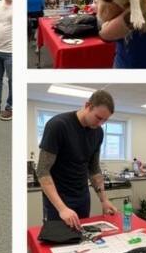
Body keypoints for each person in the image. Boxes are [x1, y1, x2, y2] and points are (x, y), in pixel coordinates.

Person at [36, 90, 118, 228]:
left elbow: (94, 169)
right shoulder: (58, 125)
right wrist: (62, 208)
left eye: (105, 120)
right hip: (58, 198)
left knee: (81, 241)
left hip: (82, 197)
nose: (100, 124)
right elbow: (42, 171)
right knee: (58, 241)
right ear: (87, 105)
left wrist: (104, 200)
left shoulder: (98, 132)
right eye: (98, 118)